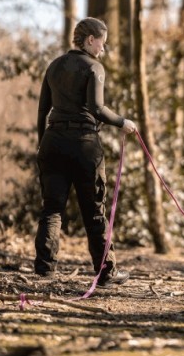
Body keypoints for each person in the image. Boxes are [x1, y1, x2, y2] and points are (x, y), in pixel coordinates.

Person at [34, 17, 137, 288]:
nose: (104, 48)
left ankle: (44, 272)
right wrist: (122, 122)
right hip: (84, 146)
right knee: (94, 212)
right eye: (102, 42)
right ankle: (106, 273)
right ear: (90, 40)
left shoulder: (54, 66)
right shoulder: (94, 67)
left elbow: (43, 110)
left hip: (52, 142)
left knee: (52, 210)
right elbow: (97, 108)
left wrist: (40, 142)